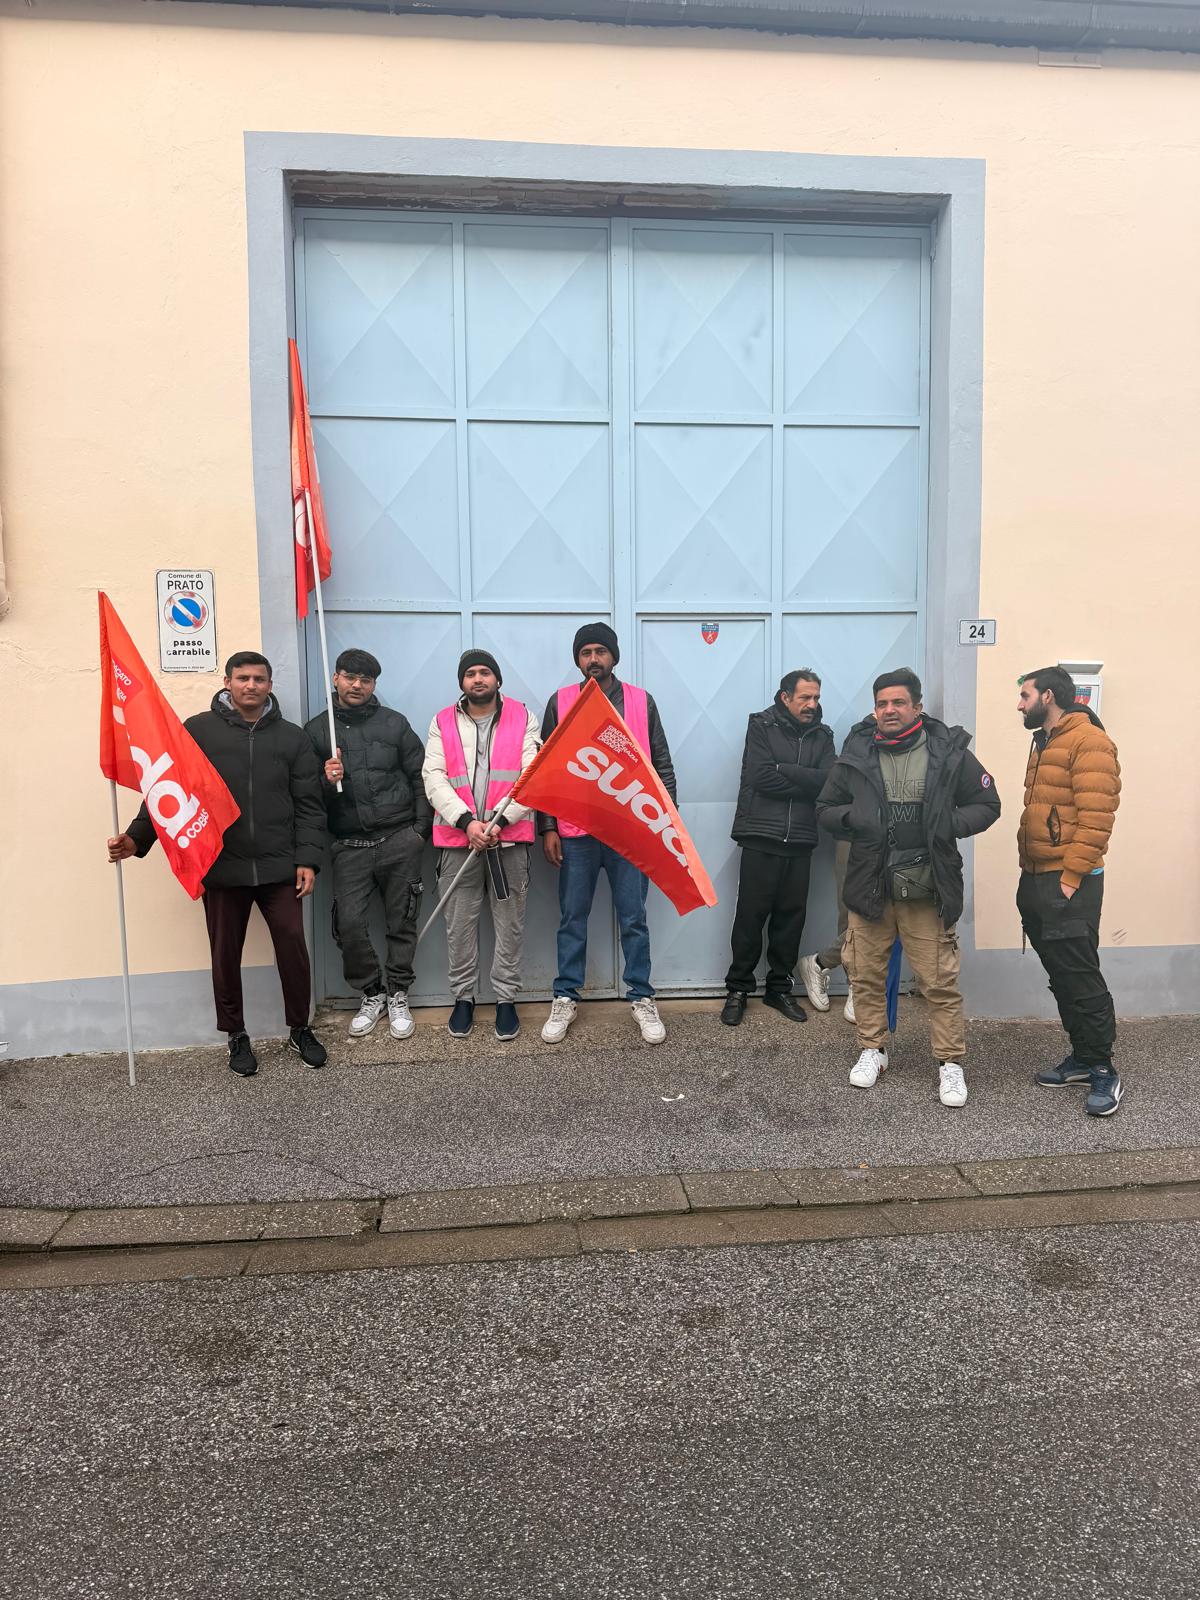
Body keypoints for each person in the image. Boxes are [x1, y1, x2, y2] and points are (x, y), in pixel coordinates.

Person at [106, 651, 327, 1077]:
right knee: (225, 954)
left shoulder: (293, 738)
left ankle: (300, 1028)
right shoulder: (198, 731)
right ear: (227, 682)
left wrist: (308, 860)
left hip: (280, 868)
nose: (251, 685)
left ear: (269, 685)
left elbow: (309, 805)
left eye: (259, 679)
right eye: (242, 678)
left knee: (293, 948)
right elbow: (166, 788)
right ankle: (236, 1034)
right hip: (221, 866)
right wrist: (136, 838)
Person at [816, 667, 1000, 1106]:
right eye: (882, 703)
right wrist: (854, 819)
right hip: (870, 880)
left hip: (927, 885)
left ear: (917, 707)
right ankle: (873, 1050)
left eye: (898, 702)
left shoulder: (949, 752)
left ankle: (950, 1063)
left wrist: (945, 825)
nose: (889, 710)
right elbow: (825, 808)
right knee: (865, 974)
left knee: (938, 980)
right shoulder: (857, 750)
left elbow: (987, 803)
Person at [538, 624, 677, 1046]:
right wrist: (548, 827)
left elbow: (661, 765)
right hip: (576, 832)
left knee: (634, 918)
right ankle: (565, 995)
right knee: (572, 918)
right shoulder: (561, 702)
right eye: (586, 653)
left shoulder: (640, 701)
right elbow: (544, 769)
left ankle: (642, 997)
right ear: (578, 660)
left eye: (601, 651)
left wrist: (664, 825)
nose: (593, 659)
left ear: (614, 657)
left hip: (630, 831)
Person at [305, 648, 431, 1043]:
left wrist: (419, 832)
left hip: (399, 840)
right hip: (349, 846)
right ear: (335, 679)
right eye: (349, 677)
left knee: (402, 922)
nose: (357, 685)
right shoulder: (317, 731)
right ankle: (372, 993)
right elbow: (304, 797)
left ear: (374, 684)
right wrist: (326, 780)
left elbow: (421, 776)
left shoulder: (394, 723)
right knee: (349, 925)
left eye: (366, 679)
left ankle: (398, 993)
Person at [1016, 667, 1122, 1116]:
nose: (1019, 704)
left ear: (1048, 696)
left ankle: (1102, 1068)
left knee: (1080, 974)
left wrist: (1070, 878)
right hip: (1037, 876)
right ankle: (1081, 1056)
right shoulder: (1044, 742)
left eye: (1025, 696)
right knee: (1061, 975)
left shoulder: (1089, 741)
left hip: (1069, 882)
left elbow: (1097, 818)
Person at [422, 649, 540, 1041]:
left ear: (497, 679)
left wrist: (500, 821)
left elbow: (532, 774)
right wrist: (467, 822)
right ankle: (463, 998)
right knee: (459, 926)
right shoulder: (442, 721)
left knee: (510, 925)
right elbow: (433, 777)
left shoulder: (523, 716)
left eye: (485, 672)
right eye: (470, 673)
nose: (478, 679)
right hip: (459, 842)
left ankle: (506, 999)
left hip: (509, 842)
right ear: (462, 682)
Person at [721, 669, 835, 1026]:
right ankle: (738, 989)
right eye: (805, 697)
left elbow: (828, 781)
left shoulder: (823, 735)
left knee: (790, 920)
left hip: (800, 840)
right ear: (785, 697)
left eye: (816, 698)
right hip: (761, 836)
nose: (812, 705)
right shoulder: (761, 725)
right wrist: (804, 779)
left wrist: (785, 768)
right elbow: (761, 777)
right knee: (750, 918)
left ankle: (778, 989)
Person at [796, 840, 855, 1022]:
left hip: (901, 840)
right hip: (855, 839)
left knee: (889, 920)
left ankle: (819, 963)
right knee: (853, 914)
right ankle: (857, 984)